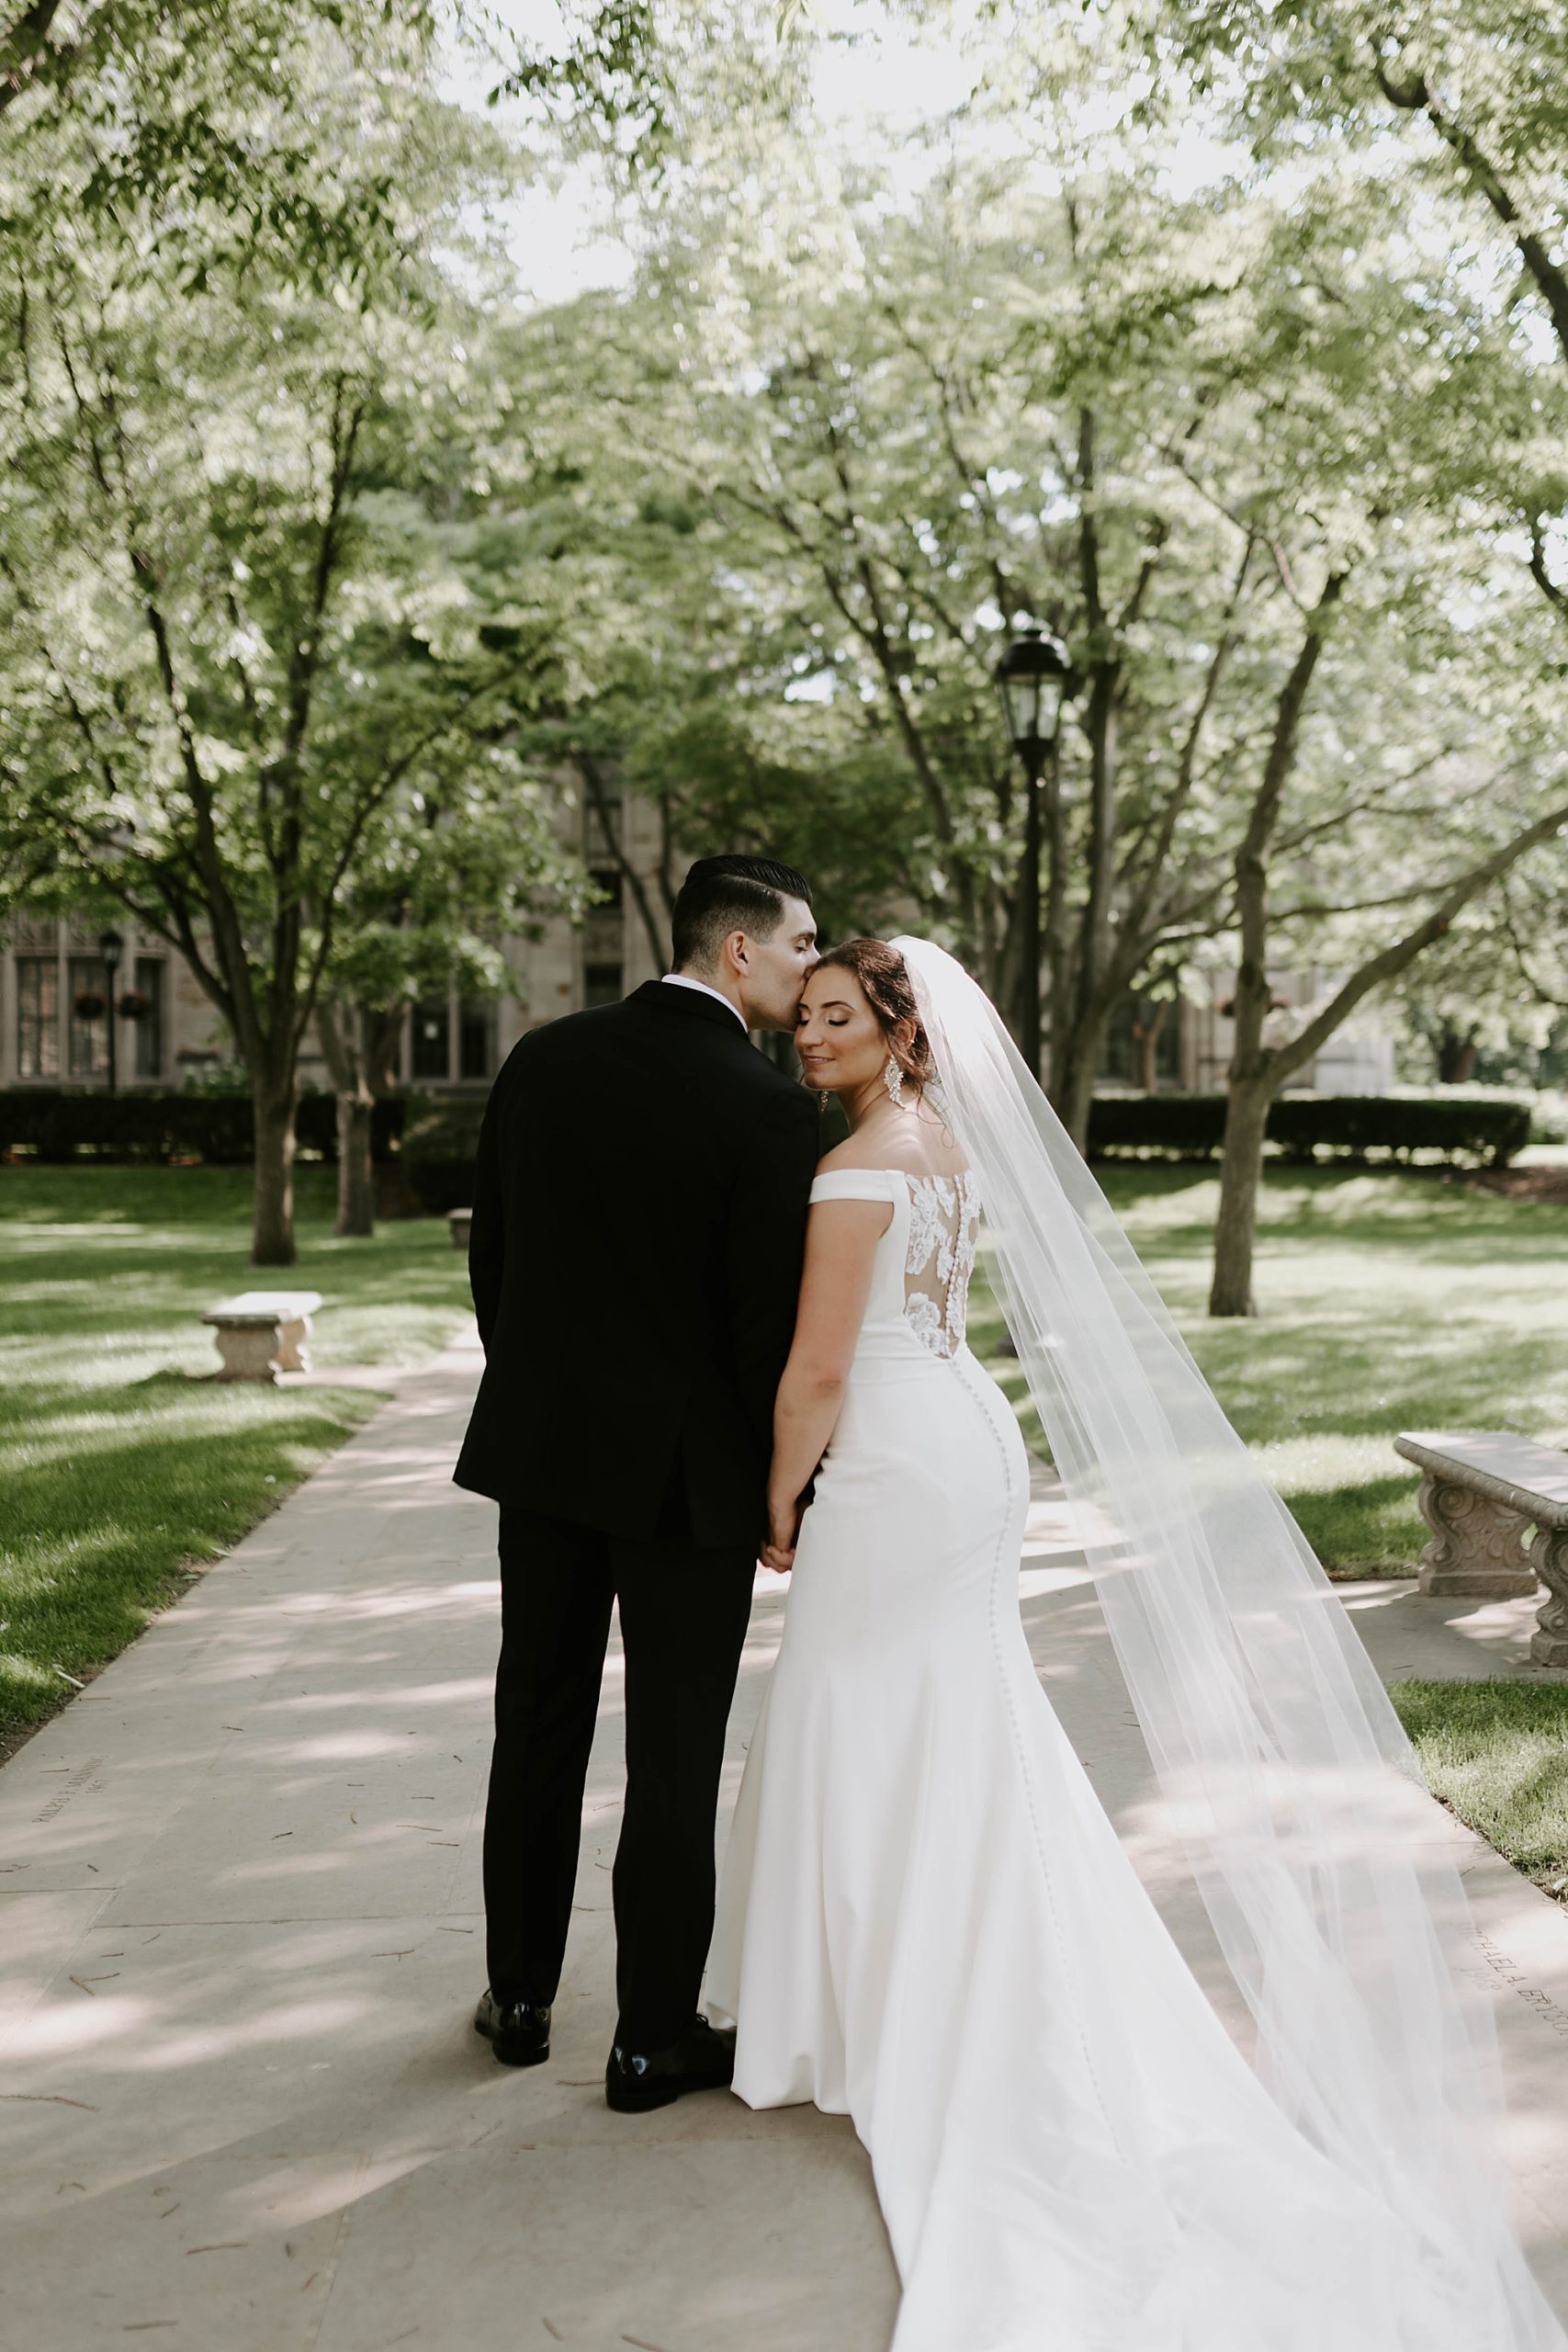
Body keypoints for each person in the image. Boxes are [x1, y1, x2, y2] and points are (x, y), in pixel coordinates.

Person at [707, 936, 1566, 2352]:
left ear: (902, 1034)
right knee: (957, 1719)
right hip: (970, 1447)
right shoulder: (940, 1147)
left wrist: (778, 1496)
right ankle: (959, 1972)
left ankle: (872, 2011)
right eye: (802, 1018)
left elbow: (817, 1367)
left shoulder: (854, 1167)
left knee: (865, 1712)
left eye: (838, 1019)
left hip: (893, 1467)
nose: (809, 1037)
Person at [454, 854, 820, 2112]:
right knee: (674, 1753)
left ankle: (520, 2000)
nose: (810, 968)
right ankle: (653, 2036)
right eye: (798, 945)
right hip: (689, 1489)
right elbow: (761, 1331)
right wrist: (785, 1491)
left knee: (536, 1721)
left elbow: (492, 1267)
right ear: (736, 951)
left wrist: (553, 1404)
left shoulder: (542, 1062)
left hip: (543, 1462)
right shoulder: (766, 1108)